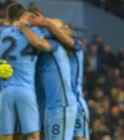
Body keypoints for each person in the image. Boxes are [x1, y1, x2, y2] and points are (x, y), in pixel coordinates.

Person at [0, 3, 58, 140]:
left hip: (5, 91)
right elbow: (55, 28)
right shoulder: (35, 33)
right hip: (26, 89)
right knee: (32, 136)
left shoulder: (2, 32)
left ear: (7, 18)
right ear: (25, 15)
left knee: (5, 136)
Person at [26, 6, 79, 140]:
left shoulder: (54, 43)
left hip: (62, 105)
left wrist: (31, 25)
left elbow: (57, 32)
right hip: (49, 106)